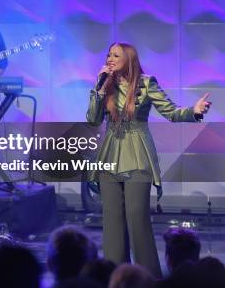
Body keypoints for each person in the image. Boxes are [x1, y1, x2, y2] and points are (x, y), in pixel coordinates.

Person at [86, 42, 212, 277]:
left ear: (129, 59)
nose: (110, 59)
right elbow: (93, 120)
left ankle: (149, 278)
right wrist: (100, 90)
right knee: (112, 221)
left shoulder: (146, 83)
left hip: (137, 153)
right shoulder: (105, 84)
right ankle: (116, 277)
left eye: (116, 55)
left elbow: (171, 112)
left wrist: (194, 111)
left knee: (137, 216)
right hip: (110, 153)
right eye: (108, 55)